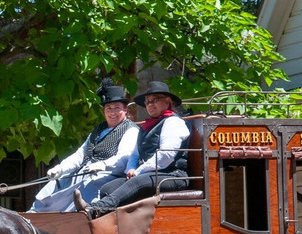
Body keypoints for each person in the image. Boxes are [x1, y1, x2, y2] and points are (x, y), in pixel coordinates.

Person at [74, 80, 189, 218]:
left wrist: (139, 171)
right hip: (151, 174)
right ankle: (111, 225)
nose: (150, 105)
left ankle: (94, 210)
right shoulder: (146, 126)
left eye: (154, 100)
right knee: (108, 188)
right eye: (147, 102)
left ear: (167, 101)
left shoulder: (174, 122)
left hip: (173, 175)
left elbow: (166, 156)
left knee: (136, 182)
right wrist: (130, 169)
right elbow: (135, 153)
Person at [29, 79, 138, 212]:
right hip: (83, 171)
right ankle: (33, 215)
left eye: (117, 108)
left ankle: (72, 218)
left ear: (125, 109)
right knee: (58, 181)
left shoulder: (130, 130)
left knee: (88, 184)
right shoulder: (99, 129)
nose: (112, 113)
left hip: (107, 175)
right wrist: (61, 168)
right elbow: (80, 154)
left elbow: (125, 157)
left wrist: (102, 165)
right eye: (108, 108)